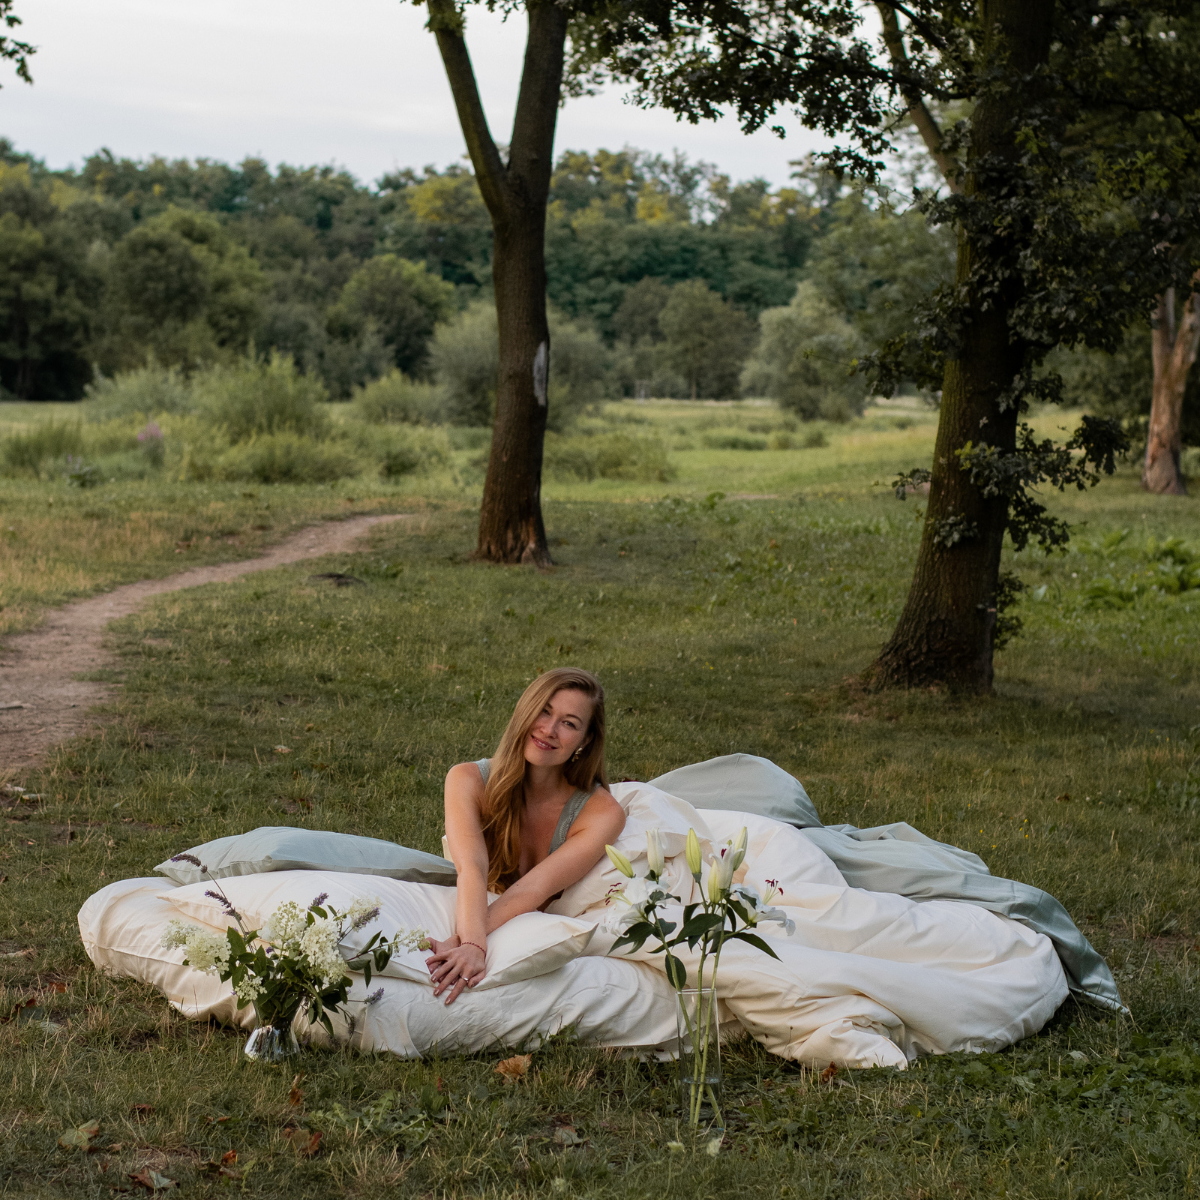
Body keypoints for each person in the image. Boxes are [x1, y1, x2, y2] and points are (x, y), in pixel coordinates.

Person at [426, 668, 625, 1005]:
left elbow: (534, 889)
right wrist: (471, 943)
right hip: (488, 910)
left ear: (585, 740)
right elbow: (472, 867)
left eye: (569, 723)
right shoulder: (466, 780)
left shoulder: (602, 813)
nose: (549, 729)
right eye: (544, 710)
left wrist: (468, 942)